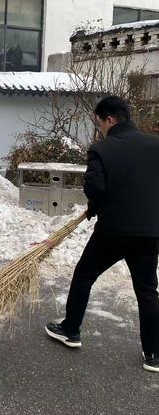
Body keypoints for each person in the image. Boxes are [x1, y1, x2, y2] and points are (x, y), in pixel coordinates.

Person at [45, 96, 159, 373]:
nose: (100, 128)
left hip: (114, 231)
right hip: (150, 232)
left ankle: (71, 330)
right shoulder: (156, 144)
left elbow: (95, 188)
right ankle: (154, 355)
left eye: (99, 122)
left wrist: (96, 208)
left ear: (110, 119)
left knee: (84, 274)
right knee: (147, 292)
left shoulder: (102, 149)